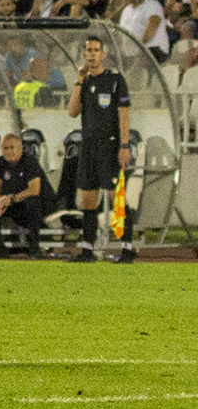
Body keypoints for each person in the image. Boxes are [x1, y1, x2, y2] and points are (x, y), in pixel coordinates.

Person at [67, 36, 133, 263]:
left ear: (103, 54)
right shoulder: (83, 82)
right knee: (88, 199)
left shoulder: (115, 80)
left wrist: (124, 145)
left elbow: (124, 114)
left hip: (110, 144)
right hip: (88, 145)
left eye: (96, 50)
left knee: (116, 198)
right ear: (84, 54)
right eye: (89, 50)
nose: (93, 54)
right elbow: (72, 111)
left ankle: (127, 248)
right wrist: (78, 80)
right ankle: (87, 250)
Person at [0, 131, 49, 256]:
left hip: (38, 205)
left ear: (20, 148)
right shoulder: (0, 163)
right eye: (5, 148)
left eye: (12, 147)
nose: (8, 151)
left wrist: (11, 199)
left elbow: (34, 189)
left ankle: (34, 247)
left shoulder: (29, 161)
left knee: (32, 201)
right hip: (13, 204)